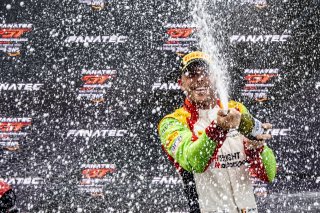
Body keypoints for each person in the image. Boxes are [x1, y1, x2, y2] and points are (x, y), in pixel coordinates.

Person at [158, 51, 277, 213]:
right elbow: (193, 162)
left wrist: (258, 149)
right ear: (181, 83)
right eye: (191, 74)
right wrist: (217, 129)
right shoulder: (172, 122)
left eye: (205, 73)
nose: (199, 79)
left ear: (215, 78)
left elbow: (268, 174)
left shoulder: (237, 110)